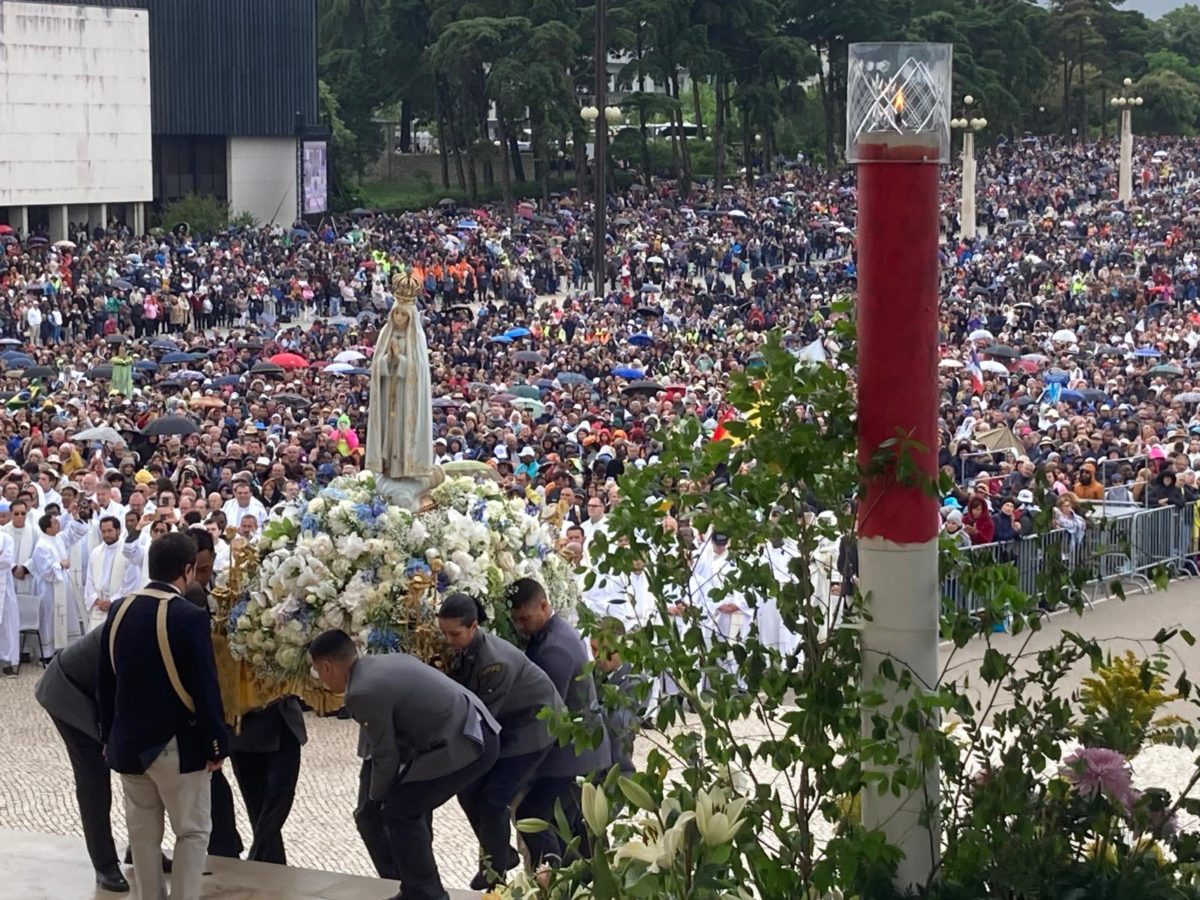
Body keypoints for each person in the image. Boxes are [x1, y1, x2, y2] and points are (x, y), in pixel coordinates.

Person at [309, 628, 500, 900]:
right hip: (476, 728)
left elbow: (385, 756)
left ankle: (427, 894)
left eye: (318, 671)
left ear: (327, 667)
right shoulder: (381, 662)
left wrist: (375, 800)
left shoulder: (360, 692)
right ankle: (415, 889)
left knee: (400, 811)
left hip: (467, 743)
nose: (321, 679)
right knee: (405, 805)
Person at [98, 532, 228, 900]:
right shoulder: (188, 616)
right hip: (177, 744)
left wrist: (107, 736)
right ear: (187, 570)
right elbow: (206, 687)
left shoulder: (119, 609)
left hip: (127, 741)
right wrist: (216, 743)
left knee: (142, 834)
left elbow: (105, 682)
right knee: (192, 831)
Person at [437, 593, 564, 890]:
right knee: (468, 791)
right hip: (510, 724)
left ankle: (495, 867)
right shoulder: (470, 649)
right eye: (444, 633)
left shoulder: (494, 662)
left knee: (495, 798)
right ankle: (499, 854)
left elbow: (480, 719)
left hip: (535, 727)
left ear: (473, 626)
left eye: (454, 634)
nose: (448, 640)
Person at [508, 577, 611, 867]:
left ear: (544, 605)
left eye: (524, 619)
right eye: (515, 621)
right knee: (573, 828)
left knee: (534, 816)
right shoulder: (555, 632)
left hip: (572, 755)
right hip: (580, 750)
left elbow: (545, 713)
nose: (520, 627)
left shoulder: (554, 648)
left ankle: (552, 877)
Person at [35, 628, 130, 892]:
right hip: (67, 692)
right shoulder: (137, 627)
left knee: (141, 774)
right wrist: (108, 739)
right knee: (94, 777)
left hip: (94, 691)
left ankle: (142, 849)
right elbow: (108, 689)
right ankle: (105, 864)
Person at [84, 516, 128, 631]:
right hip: (98, 605)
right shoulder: (96, 552)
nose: (106, 535)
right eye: (103, 531)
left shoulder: (127, 552)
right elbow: (89, 580)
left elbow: (129, 582)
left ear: (118, 530)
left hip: (117, 605)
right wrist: (96, 600)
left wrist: (112, 601)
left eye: (110, 531)